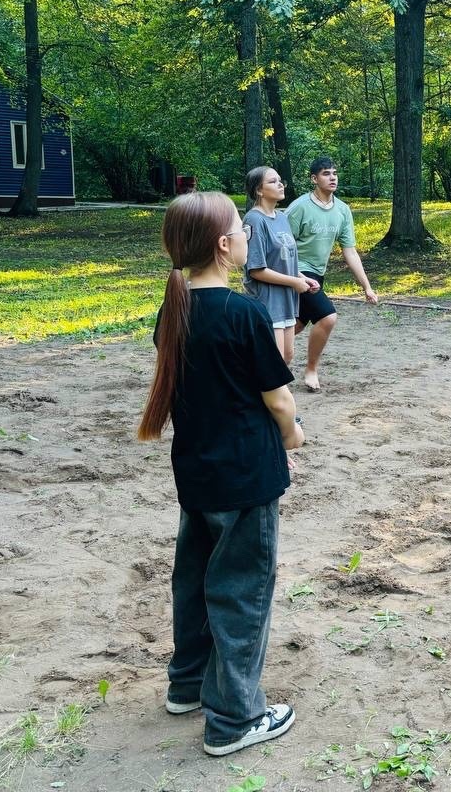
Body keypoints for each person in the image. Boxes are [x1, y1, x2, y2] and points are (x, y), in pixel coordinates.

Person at [137, 190, 304, 757]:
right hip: (245, 477)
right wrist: (292, 434)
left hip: (197, 474)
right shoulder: (244, 312)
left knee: (194, 578)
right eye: (241, 227)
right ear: (223, 244)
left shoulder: (174, 311)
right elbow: (277, 398)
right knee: (241, 588)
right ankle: (234, 717)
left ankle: (187, 684)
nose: (247, 234)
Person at [284, 156, 378, 391]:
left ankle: (255, 357)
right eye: (326, 173)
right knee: (327, 317)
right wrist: (296, 276)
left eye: (334, 173)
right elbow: (281, 247)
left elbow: (350, 252)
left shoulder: (343, 210)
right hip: (297, 272)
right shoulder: (299, 207)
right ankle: (311, 370)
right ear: (314, 179)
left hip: (318, 275)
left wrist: (366, 287)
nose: (332, 177)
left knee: (296, 325)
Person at [241, 166, 318, 363]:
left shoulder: (282, 218)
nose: (280, 185)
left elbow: (284, 260)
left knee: (287, 358)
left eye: (280, 180)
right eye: (273, 181)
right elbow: (256, 270)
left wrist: (303, 278)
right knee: (274, 362)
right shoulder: (254, 220)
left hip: (286, 301)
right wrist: (294, 282)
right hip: (267, 301)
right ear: (259, 190)